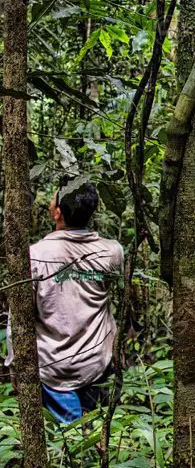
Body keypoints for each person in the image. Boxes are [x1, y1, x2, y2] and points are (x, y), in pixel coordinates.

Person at [5, 175, 124, 424]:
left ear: (58, 212)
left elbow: (19, 319)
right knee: (96, 441)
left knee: (68, 450)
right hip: (97, 364)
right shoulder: (112, 252)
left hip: (54, 370)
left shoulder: (35, 256)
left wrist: (14, 363)